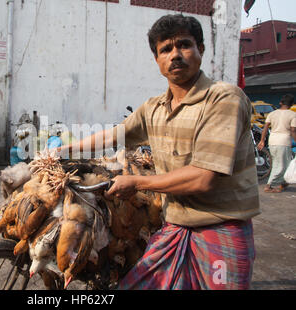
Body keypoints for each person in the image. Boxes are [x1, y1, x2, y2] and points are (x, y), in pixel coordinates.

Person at [57, 14, 260, 290]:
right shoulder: (154, 107)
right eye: (165, 49)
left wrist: (137, 182)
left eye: (184, 45)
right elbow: (114, 136)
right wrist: (65, 149)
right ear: (157, 60)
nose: (175, 55)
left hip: (221, 229)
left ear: (201, 49)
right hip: (175, 227)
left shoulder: (223, 98)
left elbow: (203, 177)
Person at [258, 94, 296, 193]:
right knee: (281, 165)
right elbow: (293, 130)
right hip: (284, 142)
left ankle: (281, 183)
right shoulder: (292, 115)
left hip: (272, 141)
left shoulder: (272, 114)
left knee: (278, 163)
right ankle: (270, 184)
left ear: (280, 102)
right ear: (292, 104)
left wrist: (262, 141)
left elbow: (265, 128)